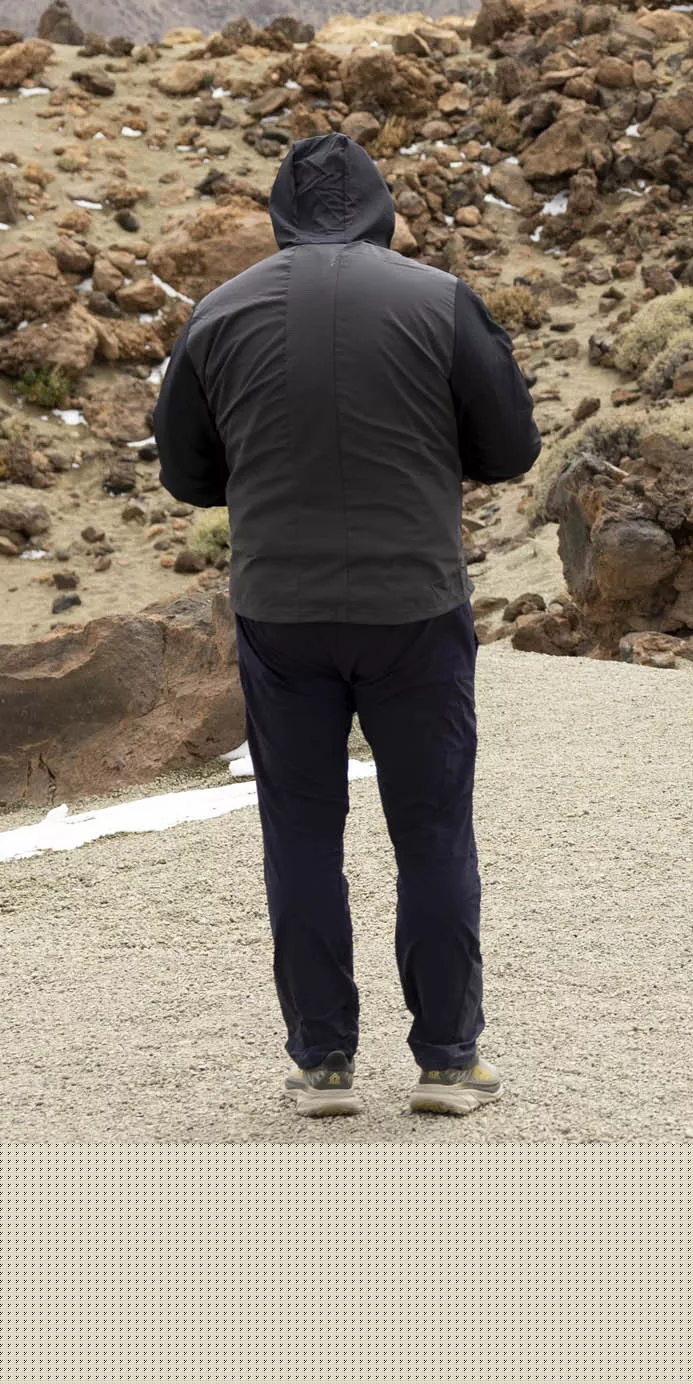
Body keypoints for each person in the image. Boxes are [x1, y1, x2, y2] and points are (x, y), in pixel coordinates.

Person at [152, 132, 542, 1120]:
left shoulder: (218, 313)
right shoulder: (440, 299)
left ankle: (322, 1060)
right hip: (414, 601)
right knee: (434, 826)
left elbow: (186, 474)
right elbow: (510, 447)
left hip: (280, 611)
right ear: (377, 205)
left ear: (280, 215)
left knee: (300, 835)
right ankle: (449, 1058)